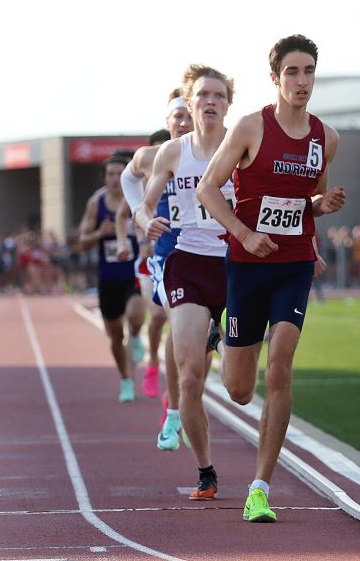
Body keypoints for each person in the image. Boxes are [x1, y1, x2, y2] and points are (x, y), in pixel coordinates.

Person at [198, 34, 345, 523]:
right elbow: (207, 189)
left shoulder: (326, 138)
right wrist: (244, 232)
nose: (302, 81)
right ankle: (223, 338)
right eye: (292, 72)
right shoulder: (250, 127)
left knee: (280, 366)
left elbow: (309, 202)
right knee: (240, 390)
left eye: (309, 71)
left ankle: (259, 487)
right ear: (275, 78)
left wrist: (323, 207)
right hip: (247, 265)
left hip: (293, 265)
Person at [136, 64, 234, 499]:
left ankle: (221, 339)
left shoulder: (243, 146)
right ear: (189, 104)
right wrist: (145, 220)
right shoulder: (172, 153)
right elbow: (146, 203)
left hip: (236, 264)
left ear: (228, 103)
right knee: (190, 377)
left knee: (238, 387)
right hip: (189, 263)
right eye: (202, 96)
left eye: (219, 95)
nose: (210, 102)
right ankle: (206, 471)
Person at [78, 152, 146, 402]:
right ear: (104, 177)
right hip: (108, 278)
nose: (115, 179)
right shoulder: (96, 203)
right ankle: (126, 380)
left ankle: (136, 336)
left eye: (119, 174)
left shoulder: (138, 196)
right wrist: (99, 233)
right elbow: (82, 241)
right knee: (116, 335)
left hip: (134, 272)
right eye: (110, 174)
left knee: (136, 315)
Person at [116, 128, 172, 399]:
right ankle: (153, 363)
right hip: (148, 261)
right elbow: (122, 215)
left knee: (177, 320)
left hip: (176, 254)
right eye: (157, 149)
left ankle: (176, 391)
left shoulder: (182, 176)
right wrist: (124, 242)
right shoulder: (144, 186)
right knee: (158, 315)